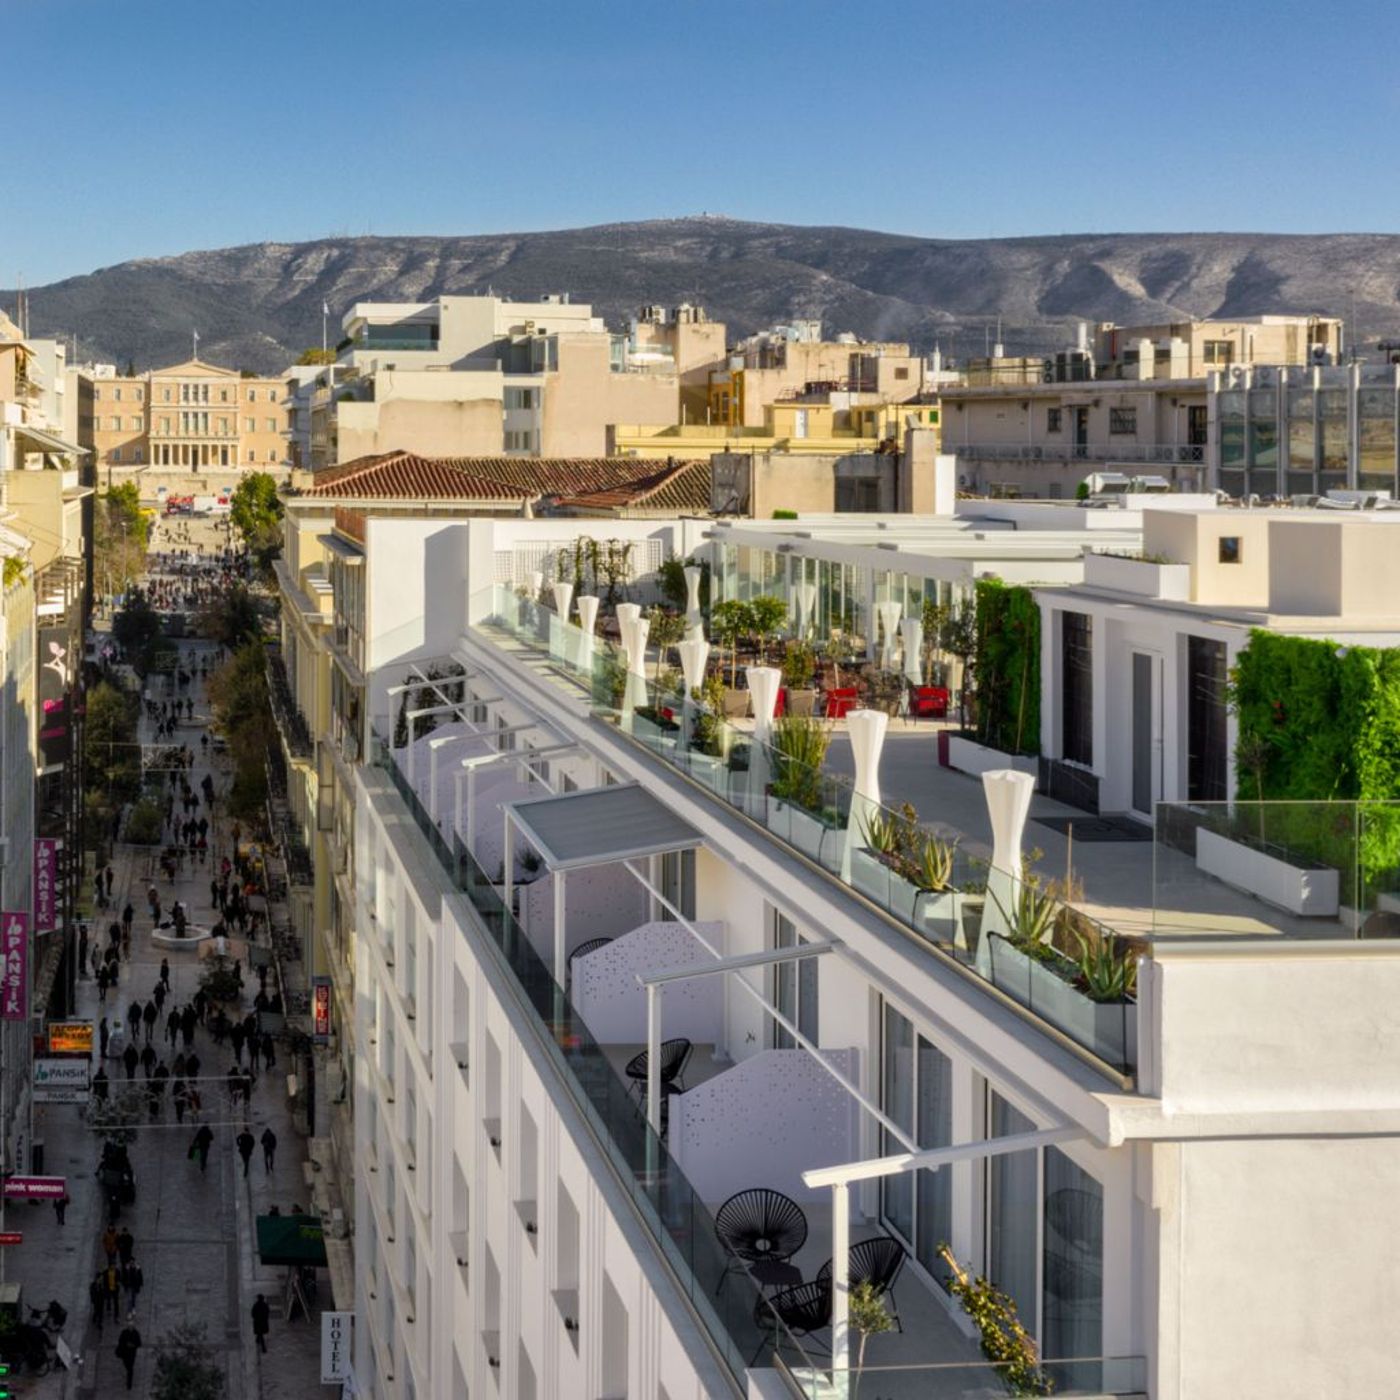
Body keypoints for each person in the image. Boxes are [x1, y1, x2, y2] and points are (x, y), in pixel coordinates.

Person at [116, 1317, 142, 1389]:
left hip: (132, 1354)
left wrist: (133, 1345)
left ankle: (129, 1383)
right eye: (129, 1326)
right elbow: (120, 1341)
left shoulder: (136, 1333)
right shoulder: (124, 1332)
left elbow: (139, 1343)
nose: (130, 1328)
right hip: (125, 1353)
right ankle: (129, 1376)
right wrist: (125, 1344)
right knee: (127, 1365)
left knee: (130, 1368)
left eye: (131, 1326)